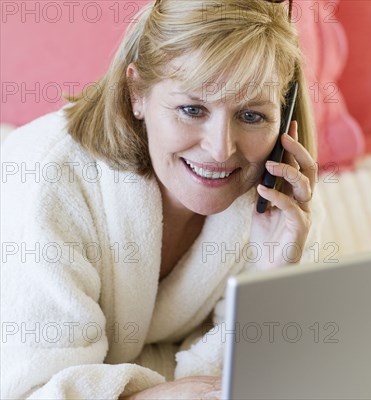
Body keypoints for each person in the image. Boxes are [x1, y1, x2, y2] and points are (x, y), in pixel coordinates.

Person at [0, 0, 325, 398]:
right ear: (136, 92)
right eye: (192, 109)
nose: (221, 149)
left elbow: (259, 378)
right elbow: (29, 391)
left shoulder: (278, 197)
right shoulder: (45, 185)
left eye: (252, 116)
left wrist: (272, 277)